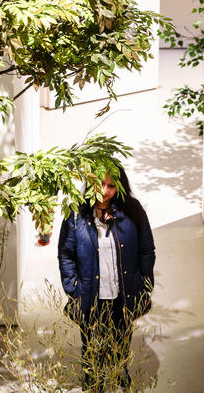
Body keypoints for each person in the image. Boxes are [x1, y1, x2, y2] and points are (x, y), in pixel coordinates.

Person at [57, 165, 156, 391]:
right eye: (100, 183)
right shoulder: (76, 213)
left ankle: (120, 372)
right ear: (90, 182)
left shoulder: (133, 210)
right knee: (91, 342)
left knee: (121, 337)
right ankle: (93, 381)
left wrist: (143, 283)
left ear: (120, 187)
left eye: (111, 185)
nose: (105, 190)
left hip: (124, 291)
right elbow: (66, 252)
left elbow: (146, 249)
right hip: (89, 293)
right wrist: (73, 286)